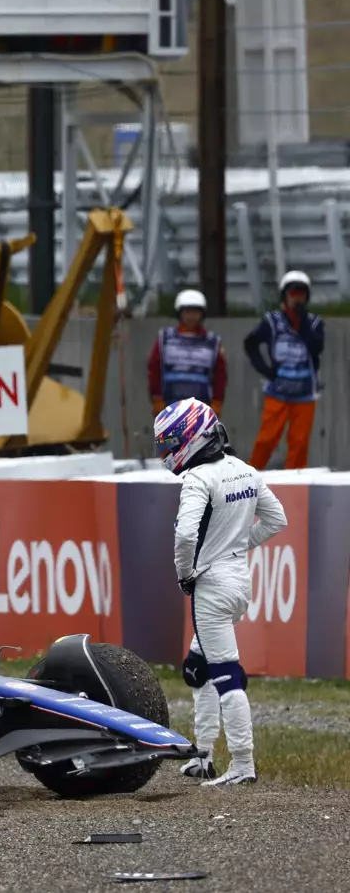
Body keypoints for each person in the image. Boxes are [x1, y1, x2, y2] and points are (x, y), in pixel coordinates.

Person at [153, 397, 287, 786]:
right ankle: (203, 754)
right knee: (197, 670)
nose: (168, 452)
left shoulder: (198, 479)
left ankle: (243, 765)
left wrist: (185, 574)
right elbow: (278, 519)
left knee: (226, 676)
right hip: (239, 583)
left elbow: (183, 535)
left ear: (194, 438)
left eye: (172, 443)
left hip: (211, 587)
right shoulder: (245, 470)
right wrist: (239, 546)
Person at [243, 270, 324, 470]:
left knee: (299, 443)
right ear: (285, 296)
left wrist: (301, 321)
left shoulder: (314, 322)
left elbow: (316, 347)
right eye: (293, 293)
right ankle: (248, 478)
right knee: (266, 439)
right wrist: (265, 369)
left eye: (301, 294)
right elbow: (250, 343)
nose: (297, 298)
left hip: (305, 394)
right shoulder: (272, 321)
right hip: (277, 392)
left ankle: (295, 482)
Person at [146, 289, 227, 417]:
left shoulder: (213, 342)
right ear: (180, 313)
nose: (191, 316)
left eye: (195, 312)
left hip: (201, 407)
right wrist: (156, 399)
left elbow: (220, 375)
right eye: (187, 312)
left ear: (202, 314)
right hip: (169, 406)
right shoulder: (165, 339)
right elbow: (154, 369)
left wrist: (217, 402)